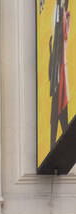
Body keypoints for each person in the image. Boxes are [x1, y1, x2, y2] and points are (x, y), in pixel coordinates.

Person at [50, 0, 72, 151]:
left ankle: (64, 144)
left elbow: (64, 34)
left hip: (61, 72)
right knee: (55, 114)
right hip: (57, 74)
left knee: (62, 112)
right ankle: (53, 145)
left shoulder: (66, 16)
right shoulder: (58, 17)